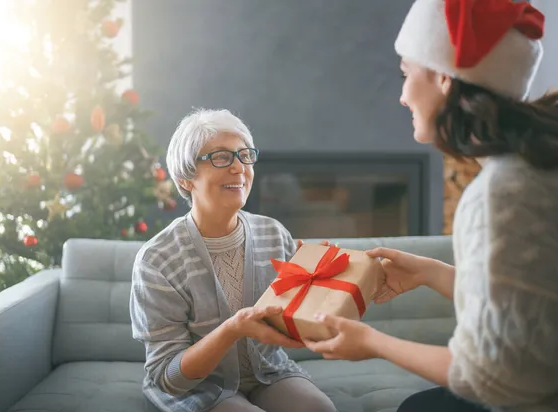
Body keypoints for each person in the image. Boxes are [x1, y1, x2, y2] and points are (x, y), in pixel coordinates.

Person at [303, 0, 558, 411]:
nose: (403, 97)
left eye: (406, 75)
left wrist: (372, 342)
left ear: (443, 78)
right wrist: (429, 272)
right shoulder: (537, 165)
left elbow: (493, 380)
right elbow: (533, 308)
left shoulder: (502, 194)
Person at [129, 108, 337, 412]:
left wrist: (324, 284)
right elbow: (167, 376)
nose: (239, 168)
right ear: (186, 178)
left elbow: (295, 320)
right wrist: (232, 329)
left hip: (267, 372)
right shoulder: (157, 260)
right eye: (221, 157)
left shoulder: (273, 233)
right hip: (197, 385)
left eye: (244, 155)